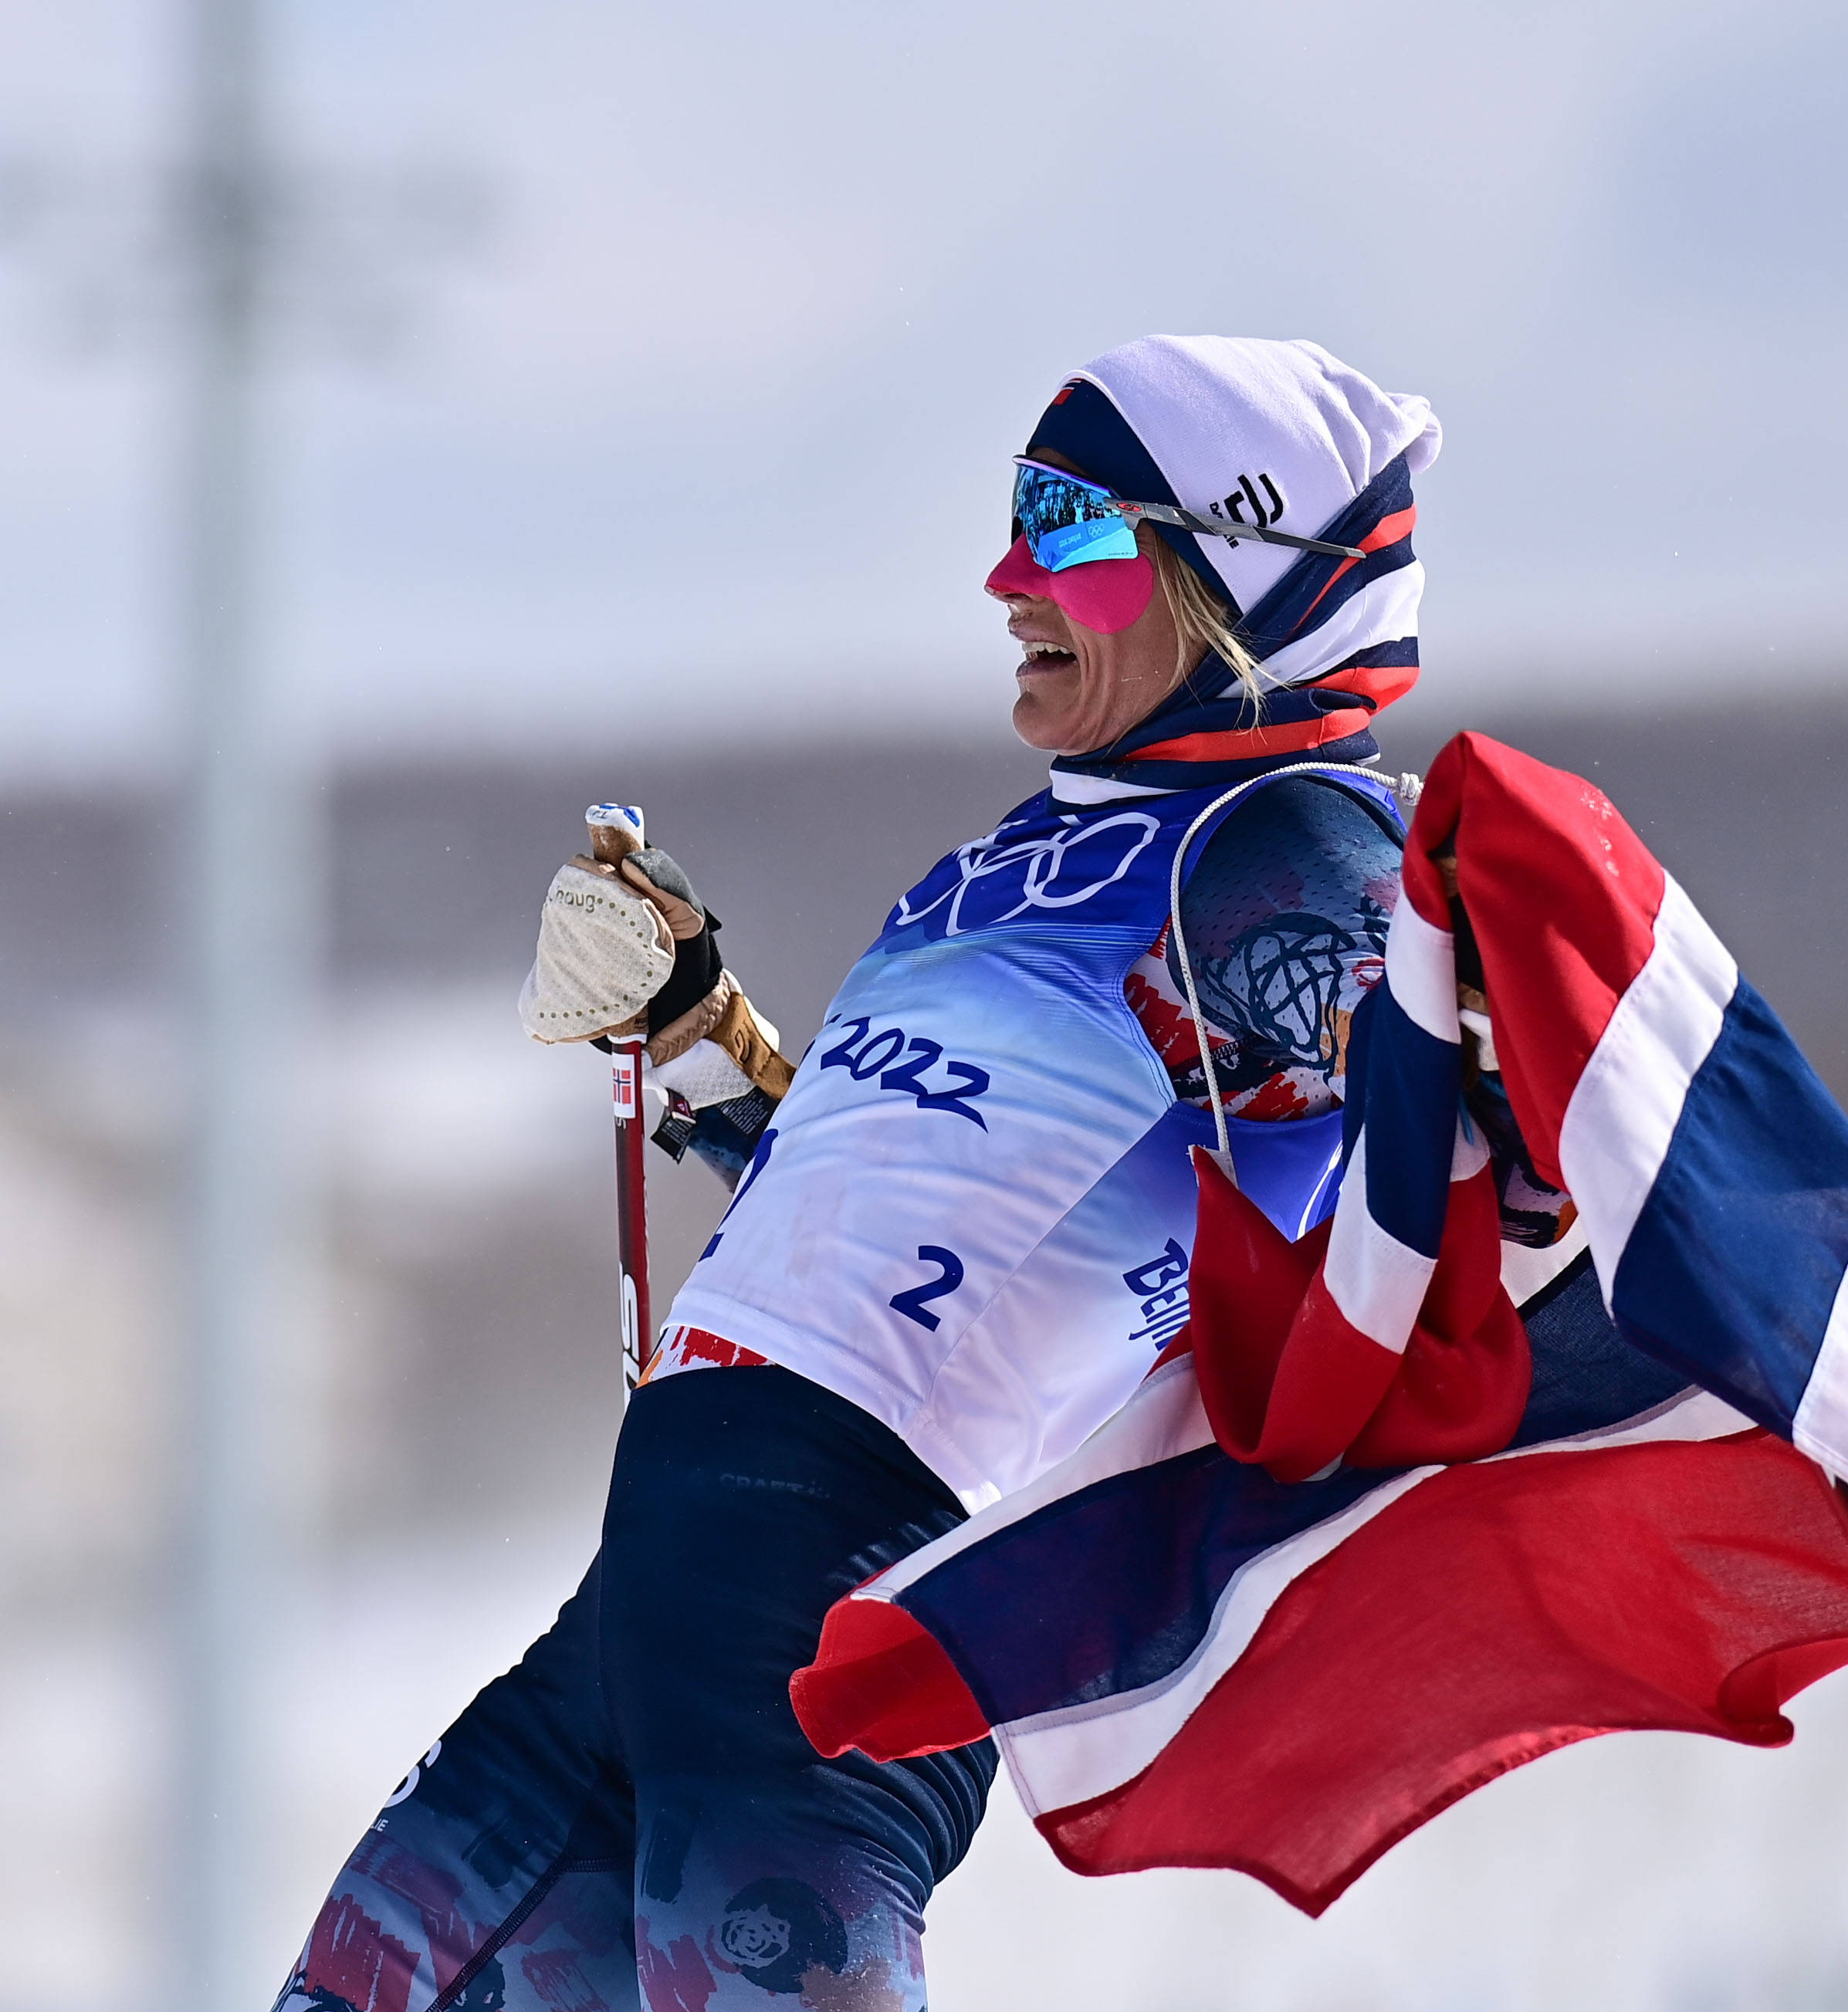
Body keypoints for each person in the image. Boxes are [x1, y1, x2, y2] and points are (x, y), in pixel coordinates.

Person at [276, 337, 1442, 2012]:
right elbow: (916, 1197)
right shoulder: (1033, 853)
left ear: (1239, 581)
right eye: (1016, 516)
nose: (1007, 576)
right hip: (646, 1623)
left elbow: (1343, 1238)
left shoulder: (1298, 854)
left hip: (818, 1637)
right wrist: (704, 1038)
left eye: (1074, 527)